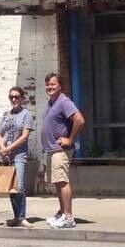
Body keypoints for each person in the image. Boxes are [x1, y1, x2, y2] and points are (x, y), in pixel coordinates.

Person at [41, 72, 85, 229]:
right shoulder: (51, 102)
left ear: (60, 86)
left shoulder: (64, 101)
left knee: (62, 181)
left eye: (53, 84)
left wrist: (70, 139)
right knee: (58, 183)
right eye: (48, 84)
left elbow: (79, 119)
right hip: (52, 150)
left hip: (61, 150)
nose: (50, 86)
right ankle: (61, 213)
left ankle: (68, 217)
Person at [0, 86, 34, 228]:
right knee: (11, 188)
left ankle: (22, 217)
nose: (14, 99)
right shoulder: (6, 115)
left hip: (19, 155)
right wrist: (2, 149)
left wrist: (8, 148)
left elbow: (24, 137)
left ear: (22, 98)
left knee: (20, 186)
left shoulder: (26, 115)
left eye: (17, 97)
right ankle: (16, 217)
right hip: (6, 157)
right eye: (11, 97)